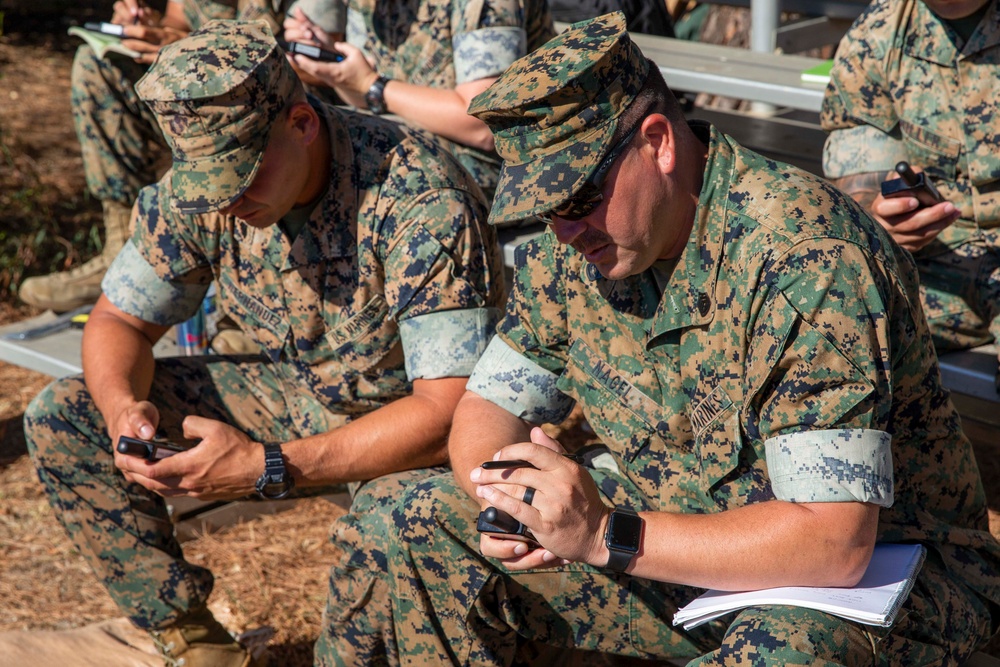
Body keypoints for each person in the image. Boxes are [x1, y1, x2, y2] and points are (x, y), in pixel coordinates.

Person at [376, 12, 1000, 665]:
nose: (565, 229)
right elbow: (485, 407)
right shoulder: (579, 249)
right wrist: (509, 499)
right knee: (402, 515)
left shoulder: (803, 255)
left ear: (658, 142)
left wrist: (602, 533)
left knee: (776, 654)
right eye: (547, 209)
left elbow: (834, 543)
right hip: (676, 543)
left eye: (581, 196)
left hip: (880, 583)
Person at [23, 19, 502, 667]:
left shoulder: (419, 197)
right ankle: (193, 642)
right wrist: (121, 411)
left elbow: (451, 409)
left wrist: (270, 464)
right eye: (209, 183)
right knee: (65, 413)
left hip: (410, 431)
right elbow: (120, 322)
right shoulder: (203, 191)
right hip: (299, 389)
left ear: (301, 123)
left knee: (389, 550)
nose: (226, 201)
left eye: (241, 175)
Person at [820, 0, 1000, 388]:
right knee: (827, 332)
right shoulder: (880, 31)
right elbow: (860, 178)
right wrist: (883, 218)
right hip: (935, 266)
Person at [283, 0, 555, 204]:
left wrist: (371, 85)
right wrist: (340, 71)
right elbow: (369, 101)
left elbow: (484, 125)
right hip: (426, 144)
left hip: (513, 166)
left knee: (353, 159)